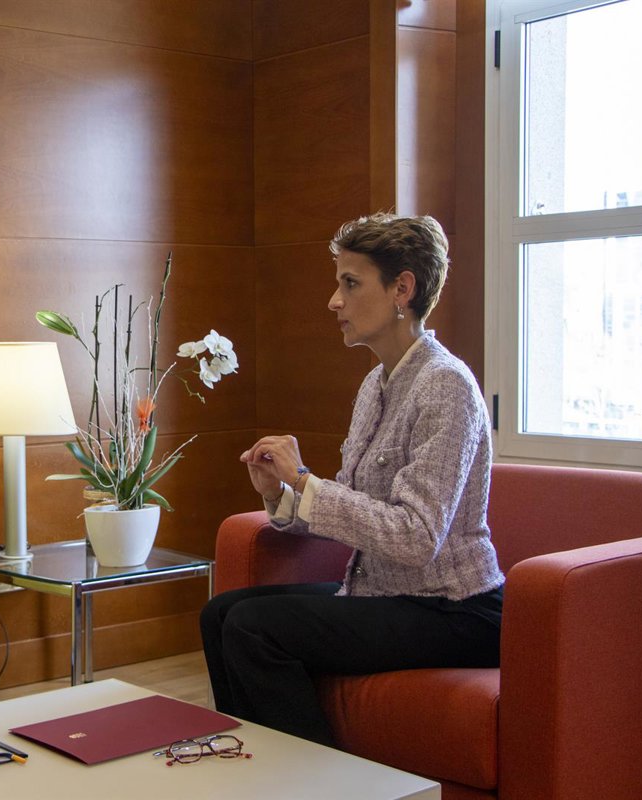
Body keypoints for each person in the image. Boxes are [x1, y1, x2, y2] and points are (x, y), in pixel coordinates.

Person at [200, 213, 505, 747]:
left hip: (454, 609)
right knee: (220, 615)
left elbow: (417, 537)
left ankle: (316, 780)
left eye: (350, 283)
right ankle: (260, 769)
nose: (333, 301)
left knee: (252, 627)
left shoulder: (446, 385)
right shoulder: (374, 385)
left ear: (402, 289)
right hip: (382, 594)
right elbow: (353, 509)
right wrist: (281, 492)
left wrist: (305, 481)